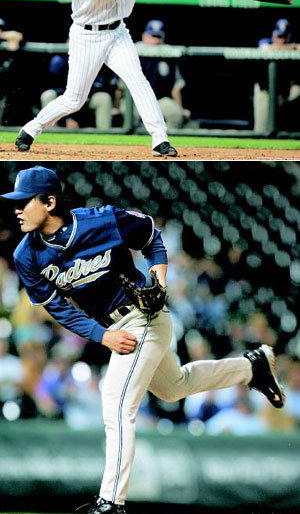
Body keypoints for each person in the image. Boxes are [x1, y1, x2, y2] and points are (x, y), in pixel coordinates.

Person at [1, 165, 285, 514]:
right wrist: (102, 335)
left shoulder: (100, 221)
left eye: (23, 201)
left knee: (116, 402)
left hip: (144, 317)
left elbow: (151, 236)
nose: (16, 208)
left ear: (49, 201)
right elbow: (58, 308)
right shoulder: (26, 255)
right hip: (115, 329)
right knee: (173, 387)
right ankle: (250, 367)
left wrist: (159, 283)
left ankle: (111, 502)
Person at [14, 0, 210, 157]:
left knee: (137, 80)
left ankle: (160, 140)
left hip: (117, 32)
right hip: (87, 36)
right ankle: (31, 128)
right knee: (74, 100)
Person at [134, 19, 191, 129]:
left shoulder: (168, 54)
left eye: (158, 37)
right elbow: (120, 87)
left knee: (174, 112)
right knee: (131, 114)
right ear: (144, 36)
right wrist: (116, 106)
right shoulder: (132, 50)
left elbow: (176, 87)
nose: (155, 40)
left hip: (159, 100)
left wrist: (181, 109)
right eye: (152, 36)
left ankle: (168, 143)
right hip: (135, 100)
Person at [253, 19, 300, 133]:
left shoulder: (294, 44)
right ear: (273, 35)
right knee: (261, 131)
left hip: (284, 92)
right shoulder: (265, 42)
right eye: (279, 36)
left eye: (284, 37)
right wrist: (292, 48)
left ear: (289, 37)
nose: (281, 40)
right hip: (265, 91)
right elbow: (265, 48)